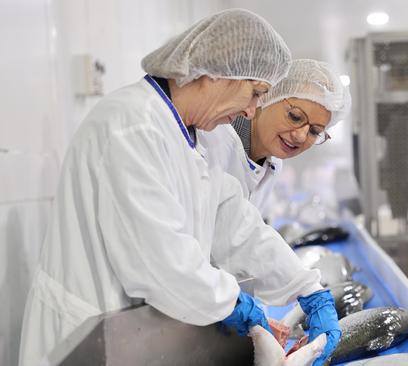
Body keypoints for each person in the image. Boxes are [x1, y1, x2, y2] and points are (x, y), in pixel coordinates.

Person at [19, 9, 339, 366]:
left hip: (131, 335)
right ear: (217, 73)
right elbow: (160, 262)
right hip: (85, 338)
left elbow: (236, 225)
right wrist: (234, 303)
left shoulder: (192, 137)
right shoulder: (132, 128)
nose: (251, 112)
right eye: (255, 93)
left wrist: (306, 288)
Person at [201, 59, 350, 213]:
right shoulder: (214, 139)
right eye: (295, 117)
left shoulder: (273, 164)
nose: (300, 137)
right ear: (268, 96)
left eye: (315, 131)